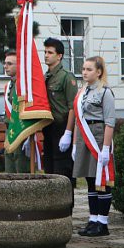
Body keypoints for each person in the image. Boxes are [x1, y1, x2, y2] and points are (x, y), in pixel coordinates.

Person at [72, 56, 117, 237]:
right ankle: (93, 219)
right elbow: (77, 119)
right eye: (83, 69)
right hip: (84, 136)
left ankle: (103, 222)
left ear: (99, 72)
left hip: (98, 137)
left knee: (102, 181)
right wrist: (75, 143)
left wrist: (105, 148)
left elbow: (110, 122)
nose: (84, 72)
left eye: (89, 69)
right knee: (90, 179)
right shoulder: (82, 92)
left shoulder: (105, 92)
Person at [42, 38, 78, 193]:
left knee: (62, 170)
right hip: (48, 127)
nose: (46, 55)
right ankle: (52, 206)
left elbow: (73, 108)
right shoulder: (45, 77)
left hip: (62, 127)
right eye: (45, 52)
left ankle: (65, 208)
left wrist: (68, 133)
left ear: (59, 56)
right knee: (49, 169)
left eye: (50, 52)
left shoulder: (66, 77)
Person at [0, 50, 31, 174]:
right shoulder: (8, 86)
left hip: (21, 129)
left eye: (9, 64)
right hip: (10, 129)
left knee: (21, 168)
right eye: (5, 63)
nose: (5, 66)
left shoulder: (24, 86)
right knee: (10, 166)